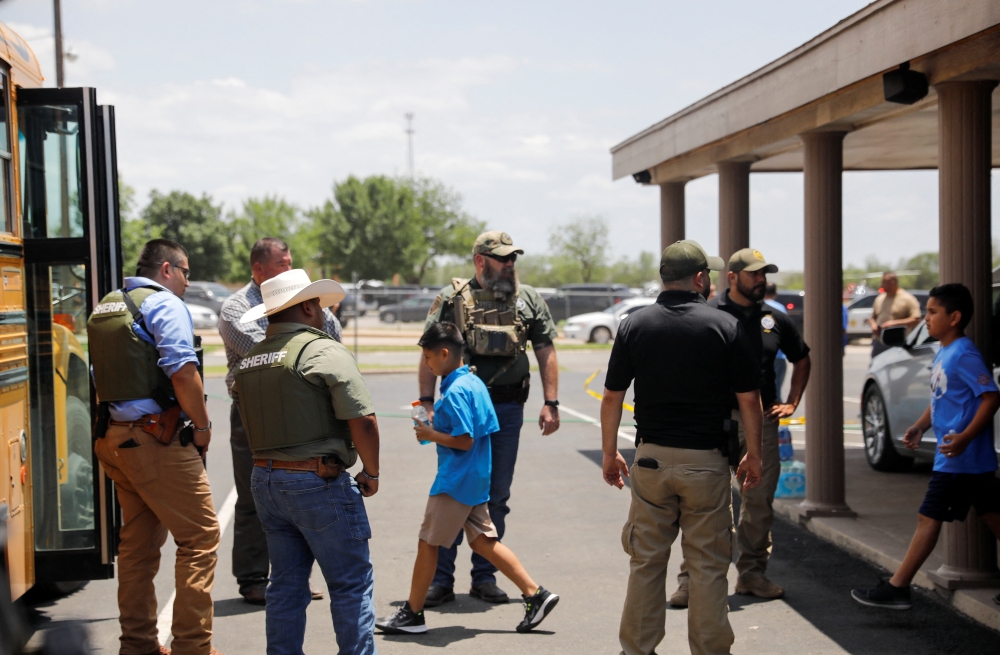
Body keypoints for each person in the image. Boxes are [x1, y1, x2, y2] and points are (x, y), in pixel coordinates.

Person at [601, 239, 764, 655]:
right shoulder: (724, 326)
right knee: (708, 567)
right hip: (706, 463)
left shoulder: (634, 325)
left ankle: (637, 649)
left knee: (646, 563)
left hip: (652, 460)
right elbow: (749, 399)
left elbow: (612, 396)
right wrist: (754, 455)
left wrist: (609, 452)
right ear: (698, 278)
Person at [231, 269, 381, 655]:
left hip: (265, 480)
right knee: (350, 583)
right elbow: (363, 420)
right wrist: (372, 471)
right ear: (311, 306)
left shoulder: (250, 360)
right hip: (317, 480)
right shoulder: (322, 350)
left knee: (284, 584)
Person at [377, 323, 560, 635]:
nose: (426, 364)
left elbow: (464, 440)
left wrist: (431, 433)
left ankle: (412, 614)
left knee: (427, 542)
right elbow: (477, 428)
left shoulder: (457, 390)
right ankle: (535, 593)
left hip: (455, 480)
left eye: (427, 357)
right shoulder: (473, 383)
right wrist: (436, 428)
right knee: (484, 542)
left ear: (444, 353)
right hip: (475, 477)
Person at [87, 239, 223, 655]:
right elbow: (182, 372)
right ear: (167, 269)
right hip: (155, 441)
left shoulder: (107, 306)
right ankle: (193, 648)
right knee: (200, 537)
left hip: (114, 439)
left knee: (139, 546)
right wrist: (202, 426)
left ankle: (139, 645)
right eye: (185, 273)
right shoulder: (163, 304)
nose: (186, 282)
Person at [419, 231, 560, 606]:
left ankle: (484, 578)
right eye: (502, 258)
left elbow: (545, 347)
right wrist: (426, 401)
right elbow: (428, 350)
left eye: (513, 257)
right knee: (452, 490)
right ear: (480, 260)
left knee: (496, 494)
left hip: (509, 409)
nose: (510, 264)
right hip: (460, 411)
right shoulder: (452, 299)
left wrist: (552, 402)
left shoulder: (528, 298)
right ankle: (441, 582)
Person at [669, 249, 811, 607]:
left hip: (761, 424)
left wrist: (792, 401)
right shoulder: (709, 314)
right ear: (731, 277)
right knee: (705, 502)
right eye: (754, 274)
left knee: (758, 502)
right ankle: (689, 581)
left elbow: (802, 357)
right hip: (716, 422)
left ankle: (751, 575)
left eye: (764, 274)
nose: (761, 280)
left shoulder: (774, 319)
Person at [852, 283, 1000, 609]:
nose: (926, 318)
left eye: (933, 312)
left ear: (955, 317)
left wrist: (964, 437)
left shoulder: (964, 353)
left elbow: (991, 397)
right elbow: (940, 399)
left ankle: (898, 586)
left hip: (960, 456)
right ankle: (898, 587)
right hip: (959, 456)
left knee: (927, 517)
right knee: (992, 515)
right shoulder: (944, 352)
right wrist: (920, 426)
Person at [218, 237, 342, 605]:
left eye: (291, 262)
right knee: (253, 495)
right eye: (282, 263)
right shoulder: (237, 308)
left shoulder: (304, 299)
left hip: (302, 410)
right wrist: (311, 343)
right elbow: (270, 353)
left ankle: (293, 577)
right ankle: (254, 578)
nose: (290, 269)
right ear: (259, 270)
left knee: (300, 491)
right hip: (253, 414)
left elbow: (332, 338)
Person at [868, 271, 922, 357]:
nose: (881, 285)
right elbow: (872, 317)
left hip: (897, 343)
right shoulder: (880, 298)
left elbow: (916, 319)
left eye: (883, 282)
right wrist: (873, 325)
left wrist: (893, 324)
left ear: (892, 283)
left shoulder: (907, 298)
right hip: (879, 342)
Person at [763, 283, 787, 401]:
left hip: (762, 355)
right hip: (779, 354)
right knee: (776, 388)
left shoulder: (757, 307)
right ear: (775, 293)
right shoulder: (780, 308)